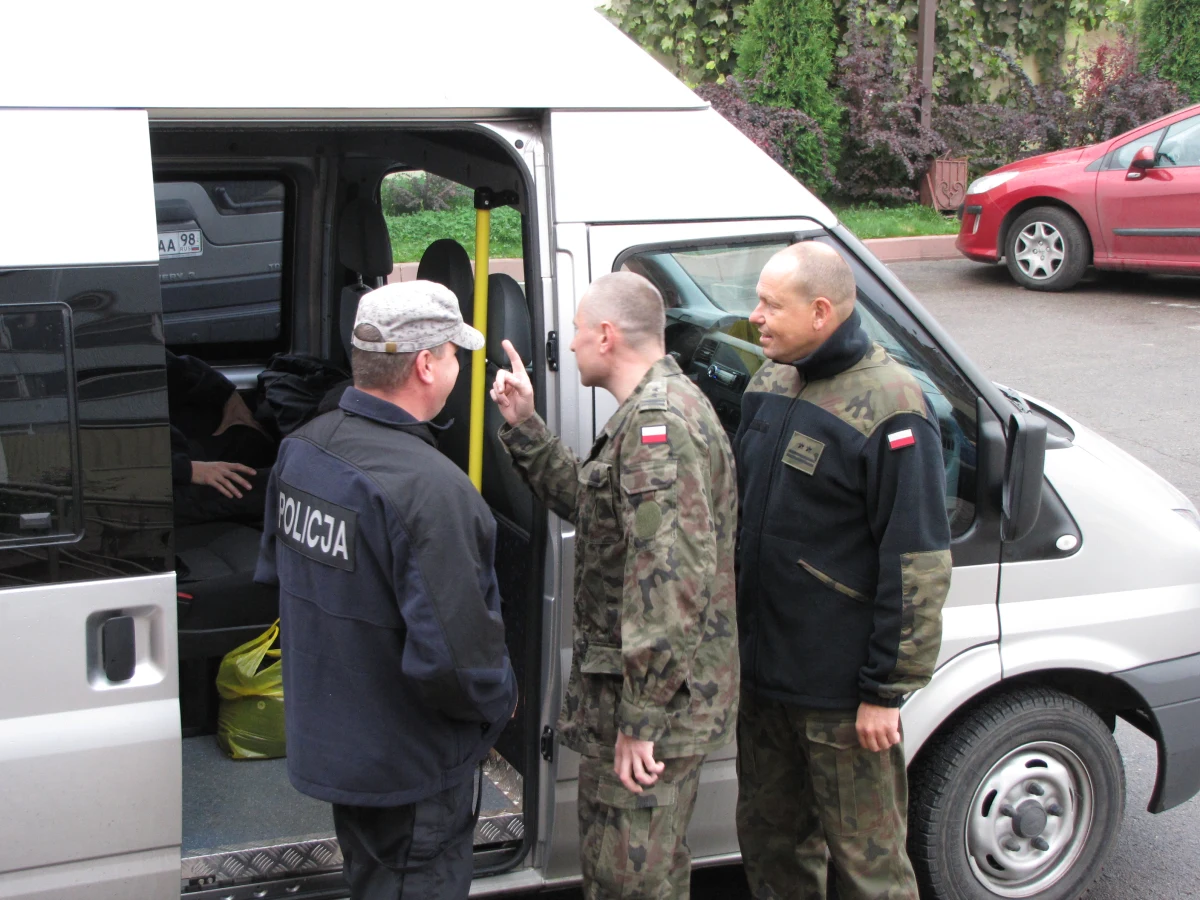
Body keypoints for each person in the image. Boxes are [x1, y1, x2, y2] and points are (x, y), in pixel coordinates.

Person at [254, 281, 518, 900]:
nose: (457, 367)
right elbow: (456, 660)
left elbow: (282, 580)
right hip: (411, 768)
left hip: (343, 743)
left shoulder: (302, 450)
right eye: (455, 354)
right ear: (426, 365)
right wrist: (499, 701)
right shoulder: (433, 490)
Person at [490, 271, 738, 900]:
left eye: (576, 332)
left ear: (606, 335)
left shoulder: (659, 427)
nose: (569, 345)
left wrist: (643, 717)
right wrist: (524, 425)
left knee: (633, 884)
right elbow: (597, 509)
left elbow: (671, 580)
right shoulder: (651, 414)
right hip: (642, 702)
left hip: (654, 710)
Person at [733, 241, 952, 900]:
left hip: (842, 697)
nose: (754, 317)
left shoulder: (892, 404)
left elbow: (915, 560)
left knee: (868, 869)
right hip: (767, 681)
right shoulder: (769, 380)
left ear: (821, 311)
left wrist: (886, 689)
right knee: (772, 846)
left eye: (771, 305)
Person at [166, 349, 276, 524]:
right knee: (265, 489)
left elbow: (171, 367)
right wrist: (186, 469)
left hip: (160, 455)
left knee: (248, 442)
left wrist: (225, 393)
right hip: (134, 489)